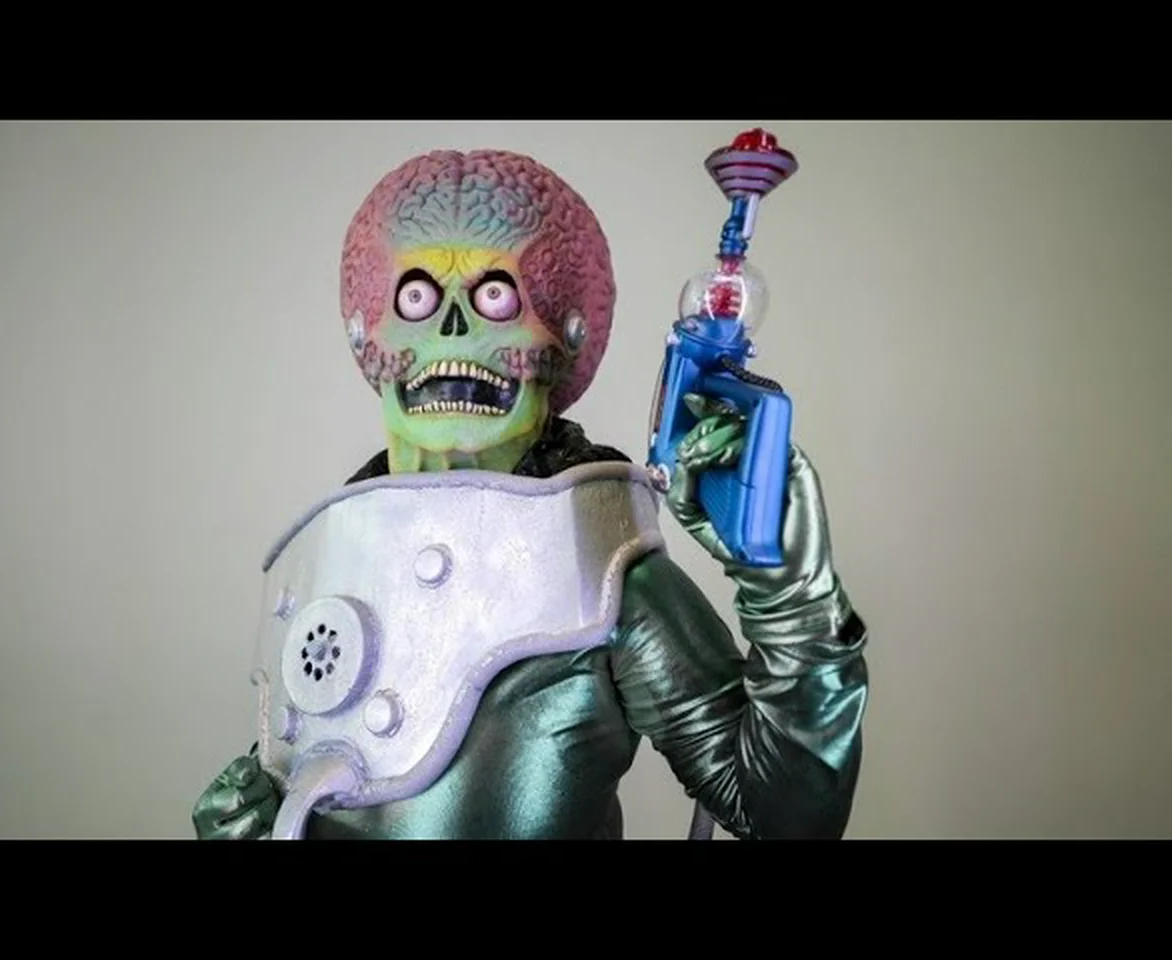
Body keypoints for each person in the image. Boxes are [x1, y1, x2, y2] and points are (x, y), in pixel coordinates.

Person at [192, 148, 868, 840]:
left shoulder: (602, 579)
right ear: (369, 337)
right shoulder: (334, 566)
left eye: (496, 297)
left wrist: (794, 599)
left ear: (565, 339)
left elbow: (783, 815)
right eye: (417, 297)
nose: (452, 329)